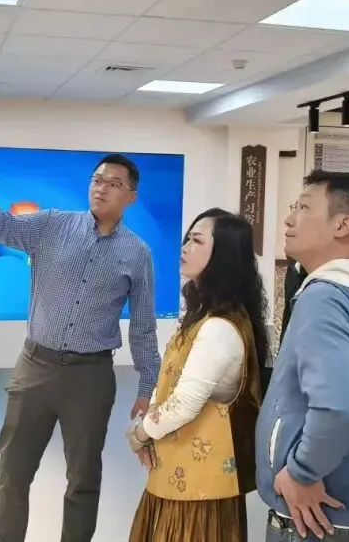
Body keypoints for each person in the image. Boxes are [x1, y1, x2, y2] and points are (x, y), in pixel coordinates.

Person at [0, 145, 161, 542]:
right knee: (12, 471)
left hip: (90, 377)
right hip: (35, 368)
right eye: (97, 180)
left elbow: (143, 325)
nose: (101, 188)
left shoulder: (137, 253)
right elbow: (1, 227)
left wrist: (147, 384)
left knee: (84, 478)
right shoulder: (52, 225)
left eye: (113, 183)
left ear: (130, 196)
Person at [256, 170, 349, 541]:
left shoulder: (325, 298)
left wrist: (302, 471)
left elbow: (339, 406)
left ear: (343, 225)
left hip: (320, 517)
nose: (289, 219)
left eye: (304, 208)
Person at [124, 208, 269, 542]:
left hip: (197, 490)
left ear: (223, 255)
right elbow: (170, 382)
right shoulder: (206, 316)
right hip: (181, 476)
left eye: (197, 240)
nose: (185, 247)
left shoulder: (218, 327)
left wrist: (140, 434)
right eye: (187, 238)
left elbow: (184, 404)